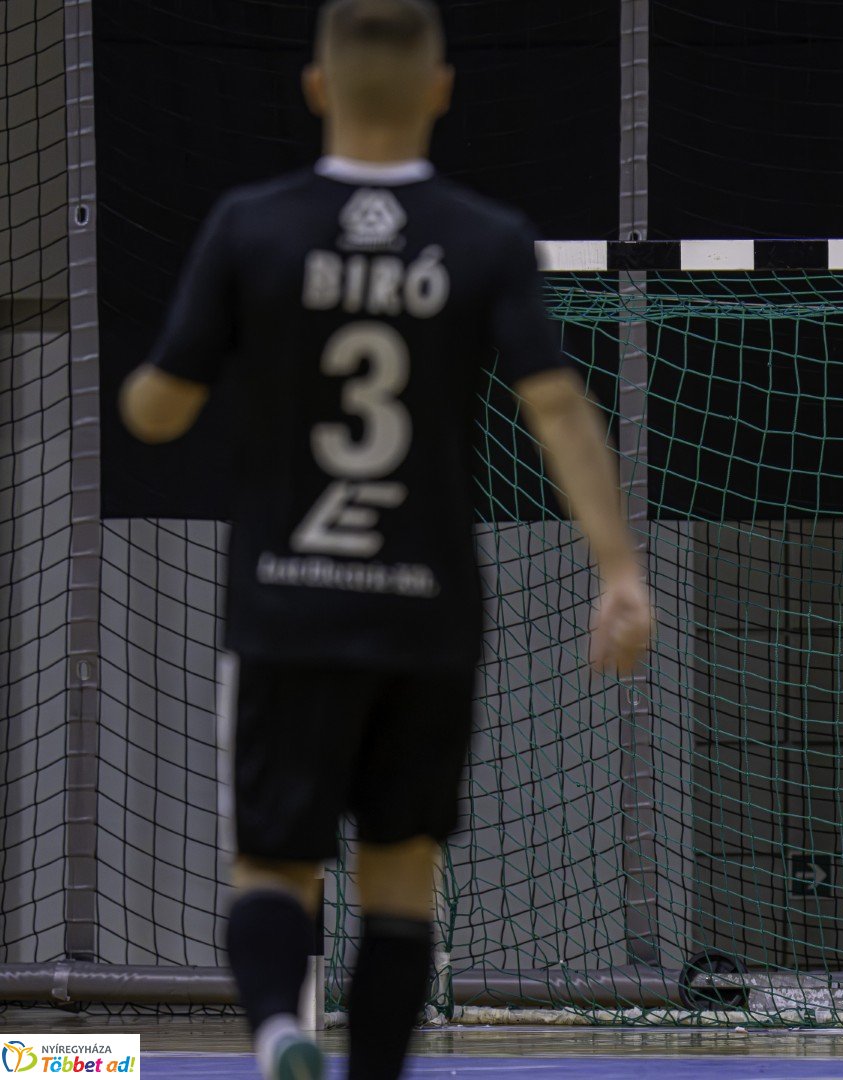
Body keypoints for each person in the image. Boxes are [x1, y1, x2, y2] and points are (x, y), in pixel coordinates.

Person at [119, 2, 652, 1077]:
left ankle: (278, 1030)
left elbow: (158, 412)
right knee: (402, 869)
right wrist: (618, 571)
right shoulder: (484, 237)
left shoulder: (251, 226)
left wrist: (177, 378)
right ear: (440, 89)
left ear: (316, 88)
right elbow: (557, 407)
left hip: (285, 601)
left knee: (272, 863)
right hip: (426, 612)